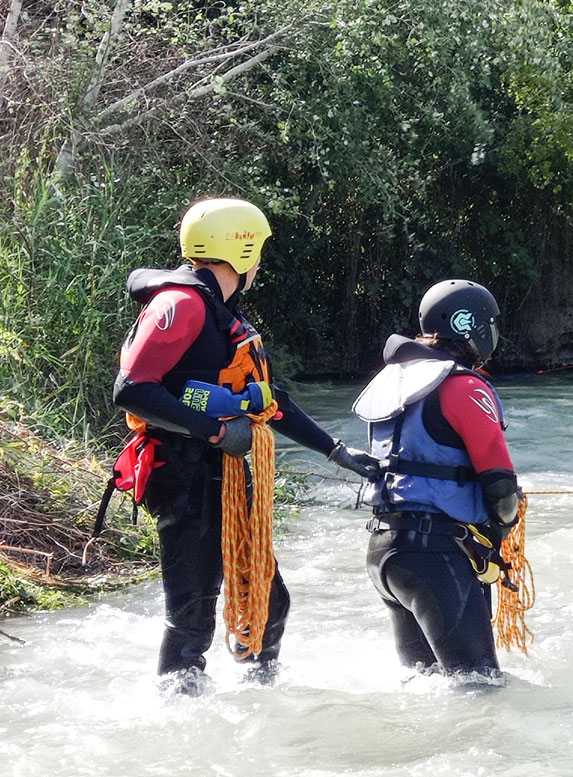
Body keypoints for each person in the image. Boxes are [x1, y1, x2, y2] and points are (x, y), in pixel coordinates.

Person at [112, 197, 380, 694]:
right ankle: (177, 719)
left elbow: (269, 402)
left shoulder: (220, 313)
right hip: (184, 474)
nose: (260, 263)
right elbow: (131, 389)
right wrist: (214, 431)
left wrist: (337, 452)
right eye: (258, 251)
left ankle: (258, 701)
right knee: (191, 618)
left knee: (268, 602)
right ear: (243, 249)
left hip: (222, 473)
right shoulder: (182, 304)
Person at [354, 279, 521, 679]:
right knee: (479, 688)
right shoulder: (463, 387)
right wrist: (501, 534)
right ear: (473, 326)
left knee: (425, 685)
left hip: (384, 552)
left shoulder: (395, 380)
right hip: (436, 557)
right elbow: (501, 486)